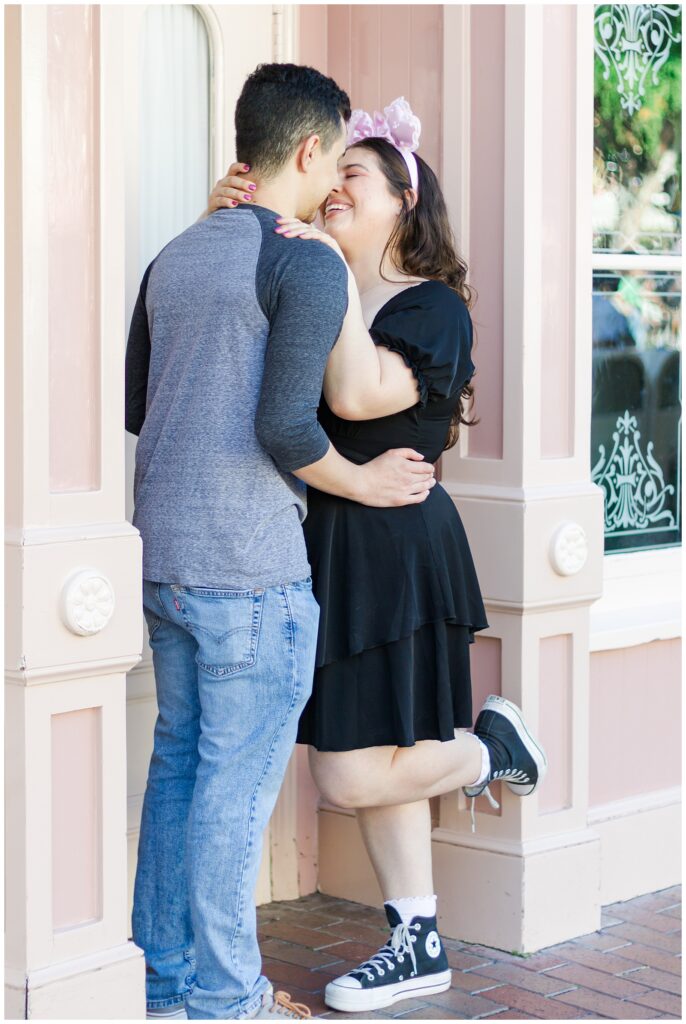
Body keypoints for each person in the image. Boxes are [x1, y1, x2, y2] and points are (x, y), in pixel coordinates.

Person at [205, 96, 548, 1015]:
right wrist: (231, 220)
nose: (334, 191)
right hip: (334, 544)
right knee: (387, 748)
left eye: (353, 175)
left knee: (349, 769)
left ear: (404, 196)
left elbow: (355, 398)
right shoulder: (334, 291)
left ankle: (487, 750)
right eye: (332, 175)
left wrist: (317, 254)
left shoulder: (431, 309)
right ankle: (418, 939)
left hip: (398, 549)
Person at [125, 67, 438, 1022]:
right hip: (250, 571)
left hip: (164, 561)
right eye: (334, 159)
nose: (337, 182)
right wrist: (366, 480)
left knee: (179, 773)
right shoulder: (304, 262)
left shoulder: (175, 253)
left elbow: (140, 406)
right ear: (307, 152)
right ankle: (232, 1000)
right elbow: (286, 429)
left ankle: (166, 988)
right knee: (231, 792)